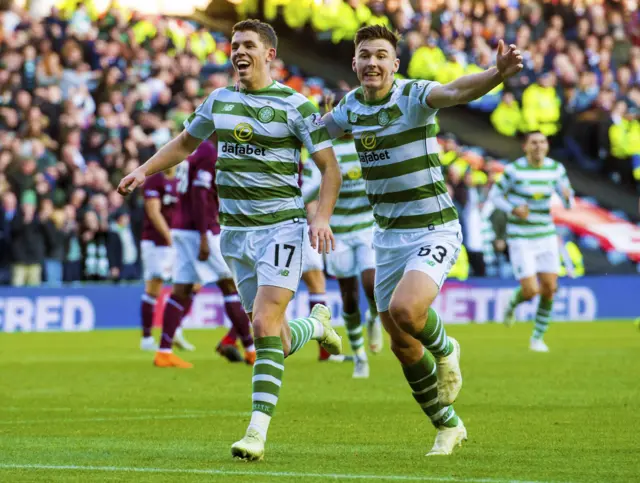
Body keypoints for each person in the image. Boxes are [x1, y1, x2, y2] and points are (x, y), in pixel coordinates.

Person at [118, 20, 343, 462]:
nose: (238, 51)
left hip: (281, 227)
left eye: (249, 46)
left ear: (270, 54)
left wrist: (321, 216)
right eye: (234, 45)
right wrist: (144, 170)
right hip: (234, 234)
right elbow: (184, 143)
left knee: (262, 327)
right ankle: (317, 325)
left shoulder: (297, 106)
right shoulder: (218, 101)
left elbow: (329, 168)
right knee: (272, 332)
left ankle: (256, 433)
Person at [322, 25, 523, 456]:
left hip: (433, 227)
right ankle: (447, 425)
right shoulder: (350, 107)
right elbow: (315, 132)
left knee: (406, 311)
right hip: (387, 237)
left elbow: (456, 90)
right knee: (401, 342)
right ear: (354, 63)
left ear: (394, 64)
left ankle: (448, 349)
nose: (372, 62)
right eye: (365, 55)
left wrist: (496, 74)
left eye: (381, 55)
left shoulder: (413, 96)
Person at [150, 138, 256, 368]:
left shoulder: (195, 148)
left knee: (181, 288)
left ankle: (164, 352)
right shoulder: (208, 151)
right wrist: (203, 235)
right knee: (229, 284)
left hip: (182, 226)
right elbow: (199, 193)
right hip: (199, 229)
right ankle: (250, 349)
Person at [302, 114, 381, 378]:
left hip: (367, 226)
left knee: (371, 284)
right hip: (338, 232)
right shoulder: (324, 150)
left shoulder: (367, 143)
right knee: (349, 297)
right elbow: (311, 187)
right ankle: (360, 355)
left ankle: (373, 317)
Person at [490, 131, 575, 352]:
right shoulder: (513, 171)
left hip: (545, 233)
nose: (539, 146)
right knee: (530, 291)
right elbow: (495, 197)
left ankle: (537, 338)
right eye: (534, 143)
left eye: (542, 142)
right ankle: (512, 304)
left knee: (550, 288)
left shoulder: (556, 170)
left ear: (547, 146)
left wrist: (567, 197)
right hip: (520, 236)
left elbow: (568, 204)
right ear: (525, 147)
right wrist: (514, 209)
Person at [139, 167, 196, 352]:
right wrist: (170, 237)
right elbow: (153, 212)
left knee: (194, 284)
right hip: (156, 243)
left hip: (179, 240)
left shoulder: (182, 180)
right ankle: (147, 338)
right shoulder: (154, 180)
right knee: (154, 287)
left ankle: (175, 328)